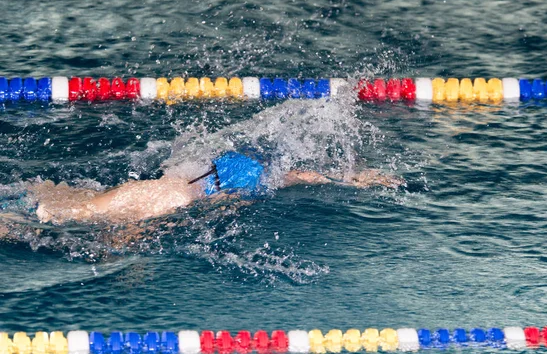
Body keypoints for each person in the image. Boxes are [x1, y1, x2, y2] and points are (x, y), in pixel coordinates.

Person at [25, 150, 403, 226]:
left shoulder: (189, 178)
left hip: (127, 193)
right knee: (53, 215)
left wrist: (355, 178)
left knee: (55, 194)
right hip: (123, 206)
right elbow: (128, 227)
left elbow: (295, 175)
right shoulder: (174, 199)